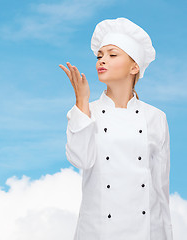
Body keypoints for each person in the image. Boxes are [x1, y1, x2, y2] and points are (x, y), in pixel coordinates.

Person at [59, 17, 173, 240]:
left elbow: (161, 189)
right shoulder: (84, 112)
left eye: (112, 55)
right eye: (100, 56)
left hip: (147, 231)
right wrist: (81, 102)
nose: (102, 61)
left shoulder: (156, 118)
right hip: (98, 231)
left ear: (134, 66)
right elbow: (81, 160)